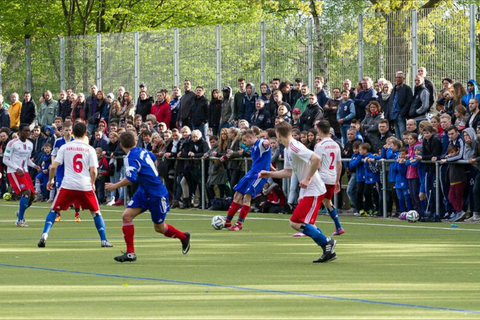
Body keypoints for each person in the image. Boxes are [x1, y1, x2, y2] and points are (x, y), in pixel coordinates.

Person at [106, 131, 190, 262]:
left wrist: (114, 186)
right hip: (144, 192)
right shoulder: (142, 150)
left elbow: (130, 178)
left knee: (159, 228)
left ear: (121, 146)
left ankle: (183, 237)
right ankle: (130, 253)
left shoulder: (129, 158)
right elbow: (154, 158)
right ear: (135, 142)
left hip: (157, 194)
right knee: (126, 216)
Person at [259, 121, 336, 263]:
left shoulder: (294, 146)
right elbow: (288, 172)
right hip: (308, 191)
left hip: (314, 189)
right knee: (308, 224)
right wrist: (268, 174)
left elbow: (316, 159)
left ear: (278, 134)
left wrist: (307, 179)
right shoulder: (288, 149)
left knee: (295, 222)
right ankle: (328, 250)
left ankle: (327, 243)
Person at [37, 122, 112, 248]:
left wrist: (50, 180)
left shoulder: (65, 147)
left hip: (68, 185)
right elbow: (94, 170)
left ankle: (45, 234)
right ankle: (104, 240)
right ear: (85, 133)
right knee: (96, 213)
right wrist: (92, 183)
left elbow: (53, 166)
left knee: (54, 210)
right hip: (84, 185)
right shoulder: (90, 149)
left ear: (73, 133)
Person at [223, 129, 271, 231]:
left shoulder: (260, 143)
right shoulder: (253, 147)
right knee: (237, 194)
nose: (244, 143)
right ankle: (227, 221)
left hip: (260, 175)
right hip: (251, 173)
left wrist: (267, 143)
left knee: (247, 197)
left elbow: (265, 144)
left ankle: (239, 224)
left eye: (245, 140)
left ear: (250, 137)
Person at [3, 124, 40, 227]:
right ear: (19, 132)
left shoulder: (30, 144)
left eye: (29, 131)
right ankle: (20, 220)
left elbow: (27, 160)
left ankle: (20, 212)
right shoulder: (12, 143)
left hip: (25, 171)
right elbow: (5, 159)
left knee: (32, 196)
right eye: (25, 131)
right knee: (26, 192)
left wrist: (35, 166)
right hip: (14, 171)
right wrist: (16, 168)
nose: (28, 133)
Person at [314, 120, 344, 236]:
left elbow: (318, 164)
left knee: (314, 201)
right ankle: (338, 227)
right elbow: (339, 164)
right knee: (327, 202)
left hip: (321, 177)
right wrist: (337, 180)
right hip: (332, 178)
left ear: (319, 130)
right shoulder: (336, 144)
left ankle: (309, 227)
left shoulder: (320, 145)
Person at [51, 121, 82, 222]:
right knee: (59, 190)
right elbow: (53, 154)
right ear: (62, 131)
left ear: (72, 131)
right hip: (61, 169)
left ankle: (77, 214)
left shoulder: (75, 141)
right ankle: (58, 214)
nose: (68, 132)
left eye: (69, 130)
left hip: (72, 169)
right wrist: (53, 165)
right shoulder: (58, 141)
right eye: (66, 130)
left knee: (76, 191)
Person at [389, 71, 413, 139]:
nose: (398, 79)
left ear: (403, 78)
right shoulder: (394, 89)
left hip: (401, 115)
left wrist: (402, 112)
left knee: (403, 134)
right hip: (394, 115)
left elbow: (409, 101)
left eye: (400, 77)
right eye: (397, 77)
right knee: (397, 135)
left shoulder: (407, 88)